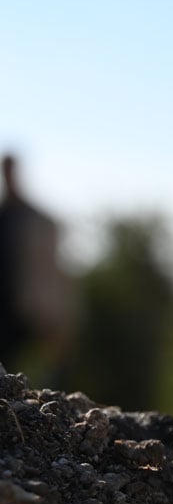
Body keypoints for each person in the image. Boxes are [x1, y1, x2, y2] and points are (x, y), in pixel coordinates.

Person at [0, 154, 73, 382]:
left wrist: (49, 309)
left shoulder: (35, 220)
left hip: (23, 306)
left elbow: (47, 269)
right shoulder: (5, 214)